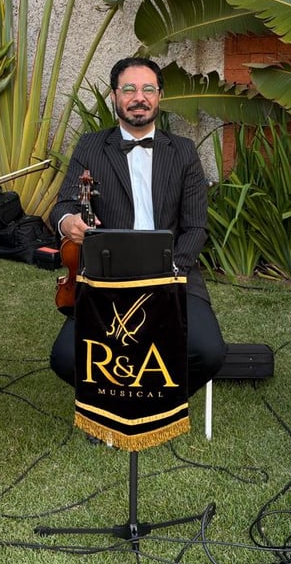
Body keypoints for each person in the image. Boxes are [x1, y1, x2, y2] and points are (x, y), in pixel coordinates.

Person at [49, 57, 226, 397]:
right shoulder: (91, 146)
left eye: (148, 89)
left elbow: (195, 228)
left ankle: (158, 402)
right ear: (114, 96)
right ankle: (117, 402)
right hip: (107, 277)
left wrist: (170, 274)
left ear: (159, 96)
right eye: (129, 89)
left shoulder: (183, 151)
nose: (139, 97)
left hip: (173, 275)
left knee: (208, 353)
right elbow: (63, 206)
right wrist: (68, 222)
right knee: (66, 359)